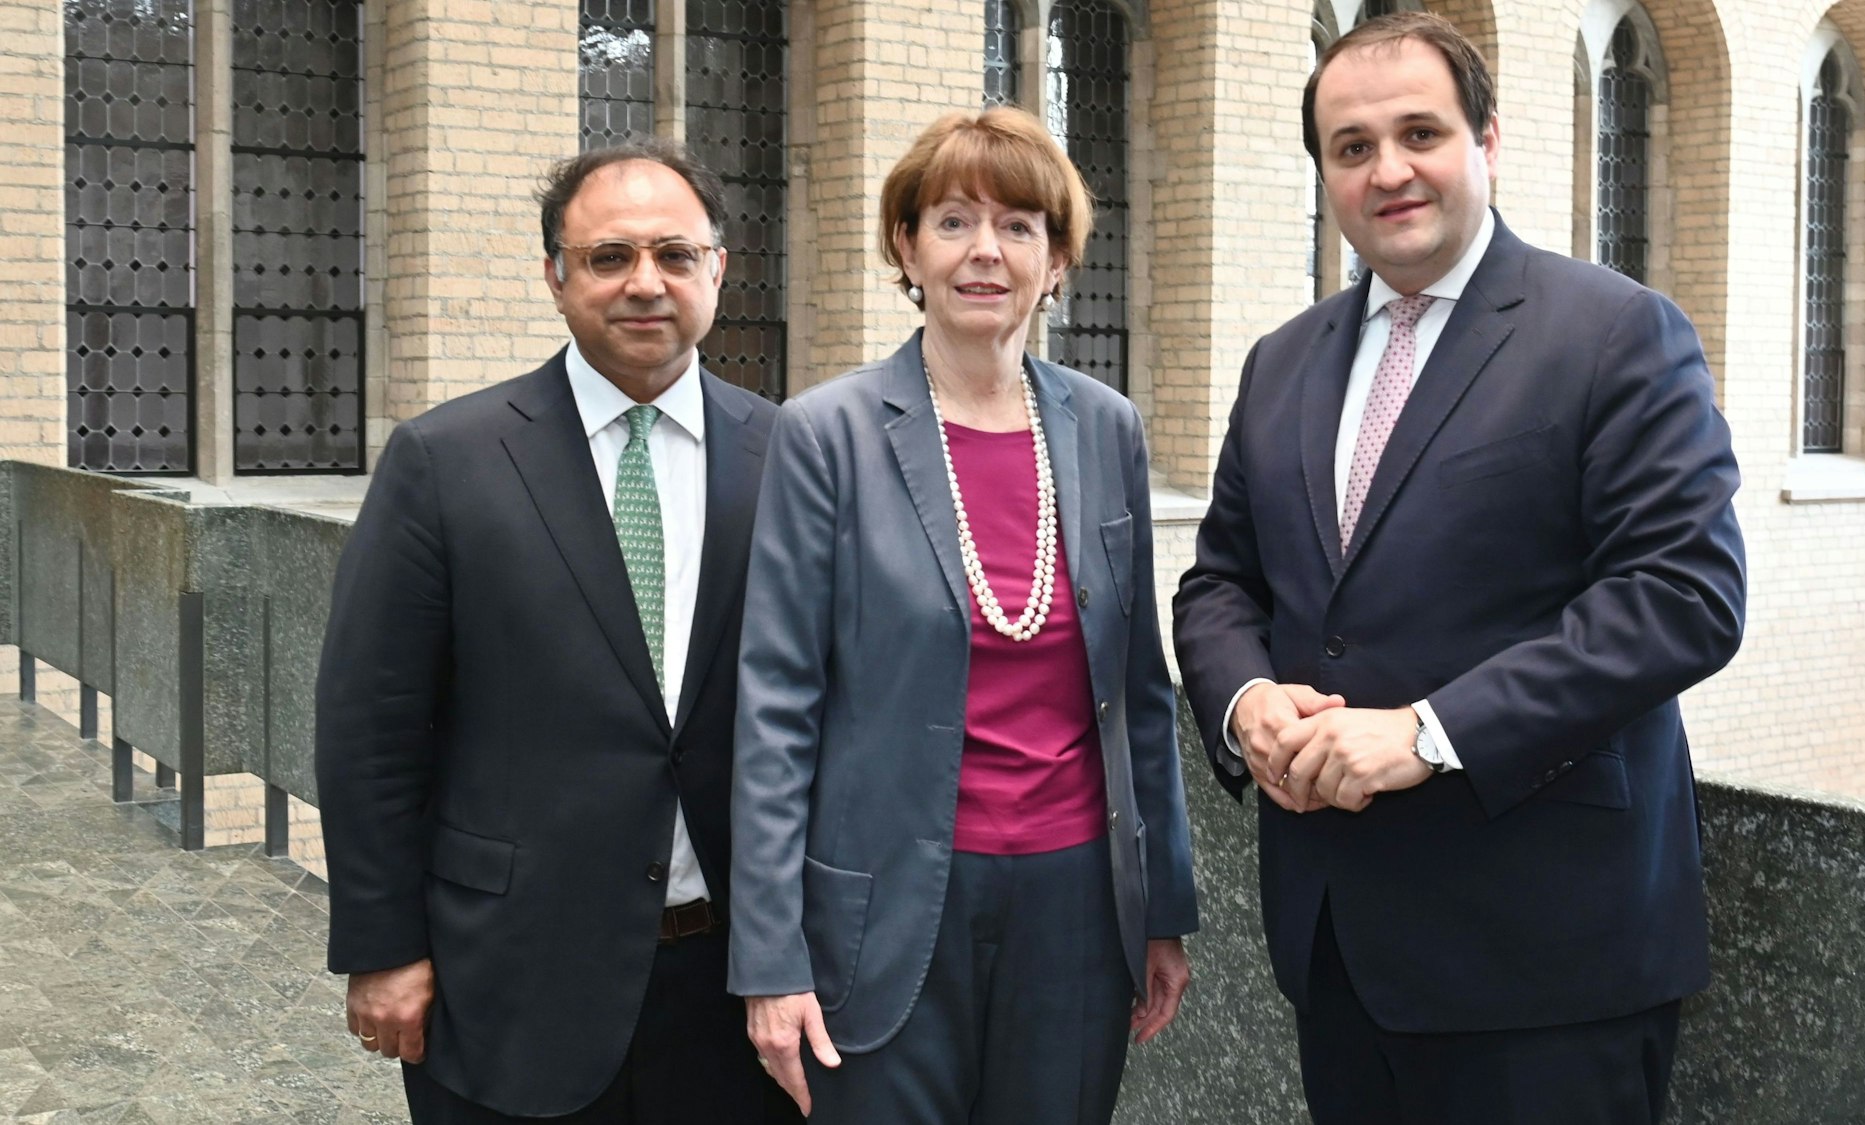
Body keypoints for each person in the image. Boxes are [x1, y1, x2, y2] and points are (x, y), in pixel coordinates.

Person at [1172, 13, 1748, 1124]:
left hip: (1544, 968)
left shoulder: (1615, 333)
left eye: (1418, 133)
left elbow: (1681, 595)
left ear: (1487, 139)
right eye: (1350, 147)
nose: (1386, 170)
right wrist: (1243, 698)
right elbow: (1220, 582)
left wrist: (1429, 731)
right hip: (1337, 949)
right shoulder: (1283, 361)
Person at [728, 105, 1199, 1124]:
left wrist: (1161, 909)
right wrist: (770, 958)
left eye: (1018, 225)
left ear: (1058, 255)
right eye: (951, 221)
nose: (984, 250)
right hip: (887, 908)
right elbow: (773, 709)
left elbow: (1137, 692)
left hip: (1076, 910)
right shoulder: (827, 434)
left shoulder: (1104, 427)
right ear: (906, 245)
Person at [314, 140, 797, 1124]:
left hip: (733, 993)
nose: (643, 283)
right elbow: (371, 722)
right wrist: (382, 944)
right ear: (554, 276)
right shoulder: (445, 461)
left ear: (717, 269)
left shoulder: (794, 458)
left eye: (673, 254)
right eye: (608, 257)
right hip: (505, 984)